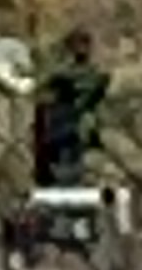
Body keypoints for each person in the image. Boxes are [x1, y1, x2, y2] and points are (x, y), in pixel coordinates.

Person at [31, 27, 109, 192]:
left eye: (83, 44)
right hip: (64, 126)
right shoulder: (63, 73)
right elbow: (45, 91)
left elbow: (95, 93)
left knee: (75, 163)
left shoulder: (95, 74)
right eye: (77, 45)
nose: (81, 49)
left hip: (76, 126)